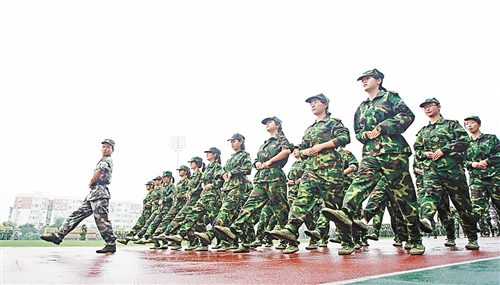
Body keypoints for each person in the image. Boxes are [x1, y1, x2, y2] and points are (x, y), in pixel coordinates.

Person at [323, 69, 424, 255]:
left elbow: (408, 116)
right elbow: (357, 132)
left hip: (393, 153)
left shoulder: (390, 98)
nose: (363, 81)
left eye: (367, 78)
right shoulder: (361, 107)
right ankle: (345, 212)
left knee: (404, 198)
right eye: (362, 79)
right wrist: (365, 135)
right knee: (359, 183)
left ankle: (415, 238)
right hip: (370, 153)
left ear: (378, 80)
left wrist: (383, 126)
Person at [269, 93, 351, 254]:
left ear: (325, 104)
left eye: (316, 102)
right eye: (311, 103)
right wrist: (302, 151)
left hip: (331, 171)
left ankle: (348, 240)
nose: (313, 105)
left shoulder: (333, 123)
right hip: (311, 170)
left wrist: (321, 146)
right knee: (301, 200)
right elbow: (300, 150)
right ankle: (291, 230)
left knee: (334, 208)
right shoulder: (310, 129)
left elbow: (344, 137)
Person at [215, 117, 291, 253]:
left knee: (281, 211)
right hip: (261, 179)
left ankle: (290, 239)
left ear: (278, 125)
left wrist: (270, 161)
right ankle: (236, 230)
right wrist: (258, 164)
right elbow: (256, 160)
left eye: (270, 122)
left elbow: (286, 151)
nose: (267, 124)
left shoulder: (281, 139)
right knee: (250, 204)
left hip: (275, 178)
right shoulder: (265, 144)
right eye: (266, 123)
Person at [415, 98, 479, 250]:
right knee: (430, 194)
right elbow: (417, 151)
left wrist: (445, 149)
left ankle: (472, 237)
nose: (427, 109)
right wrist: (426, 153)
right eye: (425, 107)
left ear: (438, 107)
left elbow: (465, 141)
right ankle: (427, 219)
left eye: (430, 106)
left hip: (453, 171)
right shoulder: (423, 131)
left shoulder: (451, 125)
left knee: (462, 204)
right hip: (432, 171)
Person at [40, 139, 117, 253]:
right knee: (76, 214)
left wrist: (91, 181)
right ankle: (59, 235)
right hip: (94, 193)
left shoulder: (107, 160)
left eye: (108, 147)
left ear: (112, 150)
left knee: (101, 219)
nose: (105, 149)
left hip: (100, 192)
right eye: (104, 147)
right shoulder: (103, 159)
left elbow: (100, 171)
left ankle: (111, 244)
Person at [194, 133, 252, 252]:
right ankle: (244, 243)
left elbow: (248, 169)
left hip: (238, 188)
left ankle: (210, 234)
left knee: (224, 211)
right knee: (233, 217)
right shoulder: (231, 157)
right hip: (227, 189)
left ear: (241, 142)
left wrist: (233, 172)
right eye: (231, 141)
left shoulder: (244, 156)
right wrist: (225, 174)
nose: (232, 143)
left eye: (234, 141)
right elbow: (224, 171)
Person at [464, 116, 500, 237]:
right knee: (476, 208)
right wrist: (472, 164)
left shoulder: (491, 138)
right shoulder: (465, 144)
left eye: (472, 123)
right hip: (476, 179)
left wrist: (488, 161)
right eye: (467, 124)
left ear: (478, 124)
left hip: (494, 178)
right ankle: (472, 237)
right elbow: (462, 161)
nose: (469, 125)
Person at [117, 181, 155, 245]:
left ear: (151, 186)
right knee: (139, 225)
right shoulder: (149, 193)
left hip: (149, 212)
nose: (146, 186)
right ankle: (127, 239)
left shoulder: (153, 193)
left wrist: (146, 205)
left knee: (149, 227)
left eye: (147, 185)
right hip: (145, 212)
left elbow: (153, 201)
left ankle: (156, 242)